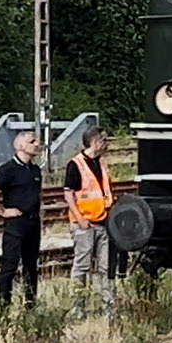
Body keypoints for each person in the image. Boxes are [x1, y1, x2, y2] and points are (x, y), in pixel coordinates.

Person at [0, 126, 44, 313]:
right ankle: (4, 308)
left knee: (31, 267)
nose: (37, 144)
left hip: (33, 224)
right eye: (32, 141)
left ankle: (30, 307)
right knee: (10, 267)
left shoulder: (35, 170)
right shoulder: (9, 169)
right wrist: (2, 211)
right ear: (20, 146)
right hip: (16, 225)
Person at [63, 129, 119, 311]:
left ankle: (109, 307)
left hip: (104, 222)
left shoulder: (101, 164)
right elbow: (69, 195)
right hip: (85, 225)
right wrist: (80, 219)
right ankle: (78, 309)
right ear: (95, 142)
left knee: (106, 267)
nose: (107, 143)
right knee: (82, 267)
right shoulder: (76, 164)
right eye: (104, 140)